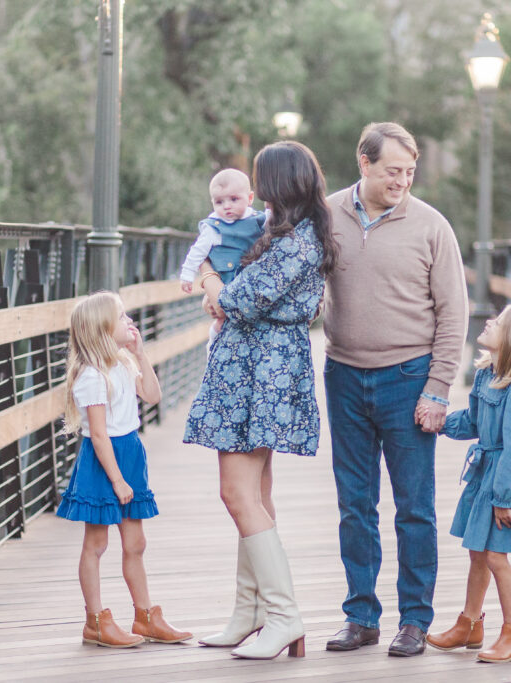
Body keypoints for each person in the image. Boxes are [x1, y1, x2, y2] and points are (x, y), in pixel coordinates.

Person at [183, 141, 340, 660]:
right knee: (256, 492)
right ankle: (251, 610)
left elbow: (236, 299)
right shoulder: (283, 234)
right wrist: (216, 286)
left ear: (278, 185)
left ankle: (284, 614)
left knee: (237, 494)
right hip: (256, 366)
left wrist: (207, 277)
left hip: (261, 371)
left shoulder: (297, 241)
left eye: (262, 184)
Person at [322, 122, 468, 657]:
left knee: (414, 507)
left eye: (409, 172)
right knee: (354, 504)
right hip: (342, 375)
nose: (402, 181)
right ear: (364, 163)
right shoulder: (328, 214)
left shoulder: (432, 226)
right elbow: (292, 274)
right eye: (392, 171)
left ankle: (414, 620)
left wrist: (437, 389)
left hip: (409, 379)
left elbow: (455, 315)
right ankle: (361, 616)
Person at [56, 292, 192, 648]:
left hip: (130, 453)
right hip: (105, 463)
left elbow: (153, 395)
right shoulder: (91, 376)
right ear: (101, 329)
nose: (129, 322)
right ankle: (96, 621)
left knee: (136, 542)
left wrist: (140, 354)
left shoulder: (122, 363)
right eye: (121, 318)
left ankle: (145, 616)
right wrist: (116, 480)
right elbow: (98, 435)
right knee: (97, 543)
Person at [426, 304, 511, 663]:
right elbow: (474, 422)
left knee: (496, 556)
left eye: (498, 322)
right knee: (477, 552)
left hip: (506, 485)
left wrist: (503, 498)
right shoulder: (485, 375)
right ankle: (469, 624)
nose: (488, 321)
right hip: (486, 477)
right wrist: (441, 424)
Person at [179, 169, 267, 345]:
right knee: (221, 320)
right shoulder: (213, 228)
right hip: (226, 283)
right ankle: (213, 346)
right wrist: (187, 275)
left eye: (234, 199)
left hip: (251, 282)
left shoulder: (260, 220)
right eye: (219, 202)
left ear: (250, 198)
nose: (227, 206)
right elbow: (197, 251)